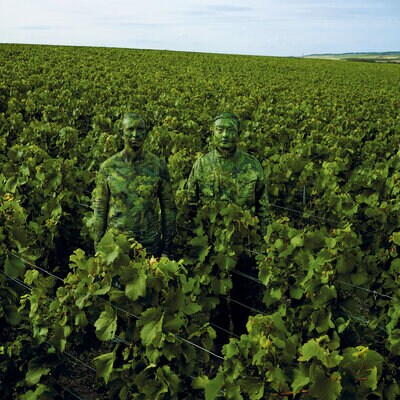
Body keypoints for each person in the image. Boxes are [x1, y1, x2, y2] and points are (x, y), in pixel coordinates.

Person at [186, 111, 269, 341]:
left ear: (238, 134)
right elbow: (190, 205)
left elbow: (263, 209)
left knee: (243, 301)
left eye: (230, 130)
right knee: (216, 306)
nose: (225, 135)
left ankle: (241, 346)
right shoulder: (201, 165)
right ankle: (219, 349)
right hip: (211, 251)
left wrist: (266, 244)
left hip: (244, 249)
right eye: (220, 130)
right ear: (212, 133)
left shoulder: (252, 166)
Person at [92, 112, 176, 258]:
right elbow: (100, 210)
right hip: (116, 247)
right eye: (130, 129)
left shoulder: (158, 166)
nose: (135, 134)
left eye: (140, 130)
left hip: (150, 246)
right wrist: (99, 249)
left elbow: (168, 209)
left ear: (146, 133)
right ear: (121, 133)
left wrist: (166, 250)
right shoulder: (108, 167)